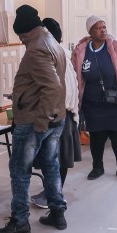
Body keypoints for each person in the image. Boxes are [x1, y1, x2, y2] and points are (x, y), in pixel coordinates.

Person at [0, 5, 68, 233]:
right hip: (56, 118)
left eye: (21, 37)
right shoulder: (52, 41)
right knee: (51, 165)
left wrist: (41, 122)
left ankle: (20, 220)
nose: (21, 41)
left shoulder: (36, 48)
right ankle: (57, 211)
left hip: (36, 120)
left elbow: (52, 86)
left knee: (20, 171)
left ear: (24, 33)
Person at [72, 16, 117, 181]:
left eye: (104, 27)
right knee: (96, 135)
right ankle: (97, 167)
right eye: (98, 28)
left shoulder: (115, 47)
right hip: (92, 102)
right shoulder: (81, 51)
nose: (103, 30)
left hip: (116, 100)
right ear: (90, 32)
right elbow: (74, 76)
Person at [30, 18, 82, 209]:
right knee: (56, 157)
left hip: (57, 113)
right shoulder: (62, 53)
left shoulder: (52, 54)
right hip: (63, 112)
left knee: (55, 158)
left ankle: (53, 195)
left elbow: (59, 88)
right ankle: (51, 193)